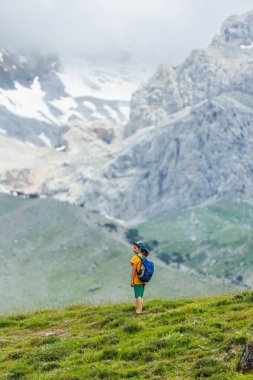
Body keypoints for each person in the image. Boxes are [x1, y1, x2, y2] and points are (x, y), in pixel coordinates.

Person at [130, 240, 149, 316]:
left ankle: (138, 311)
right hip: (143, 280)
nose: (133, 249)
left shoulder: (135, 258)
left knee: (137, 296)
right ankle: (140, 310)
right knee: (141, 296)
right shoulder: (144, 258)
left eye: (135, 248)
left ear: (139, 249)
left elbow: (133, 270)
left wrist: (132, 280)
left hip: (137, 280)